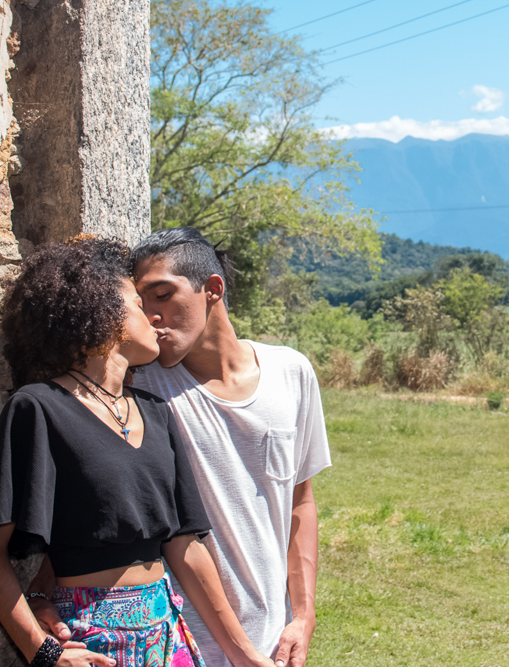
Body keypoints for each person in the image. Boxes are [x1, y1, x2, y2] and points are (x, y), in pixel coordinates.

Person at [29, 227, 331, 667]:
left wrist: (303, 617)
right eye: (140, 301)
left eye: (163, 294)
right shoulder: (138, 389)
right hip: (171, 639)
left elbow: (300, 502)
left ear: (212, 289)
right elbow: (96, 501)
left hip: (271, 641)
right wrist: (41, 590)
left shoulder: (292, 373)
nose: (150, 315)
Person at [0, 236, 275, 667]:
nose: (152, 316)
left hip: (169, 635)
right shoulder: (37, 408)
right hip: (88, 641)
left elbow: (185, 546)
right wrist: (45, 653)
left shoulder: (155, 411)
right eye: (136, 302)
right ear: (103, 313)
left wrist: (244, 655)